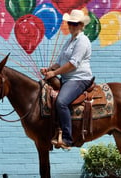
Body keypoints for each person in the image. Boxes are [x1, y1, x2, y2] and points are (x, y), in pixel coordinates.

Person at [40, 9, 93, 150]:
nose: (71, 26)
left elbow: (72, 64)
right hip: (67, 78)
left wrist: (54, 73)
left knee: (61, 102)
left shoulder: (82, 41)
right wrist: (49, 69)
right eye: (70, 23)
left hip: (79, 78)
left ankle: (67, 139)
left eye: (75, 24)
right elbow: (60, 62)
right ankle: (54, 131)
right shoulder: (69, 41)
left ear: (81, 25)